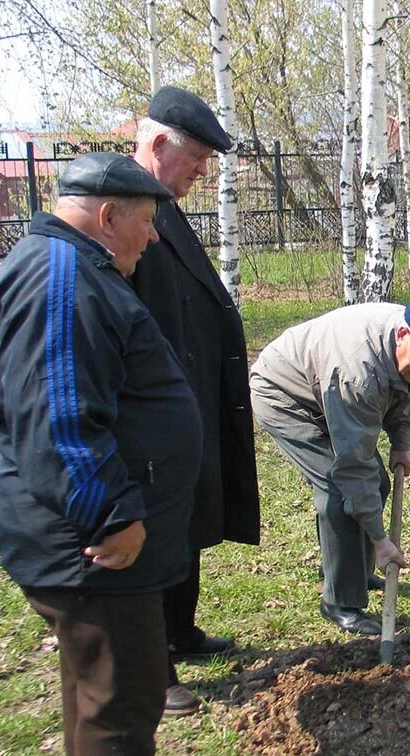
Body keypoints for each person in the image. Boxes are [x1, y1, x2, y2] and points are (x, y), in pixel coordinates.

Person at [0, 152, 213, 756]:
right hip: (90, 547)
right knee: (120, 699)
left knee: (97, 686)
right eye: (147, 222)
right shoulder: (64, 280)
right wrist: (108, 513)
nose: (155, 238)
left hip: (78, 541)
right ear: (108, 216)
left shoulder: (71, 267)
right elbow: (59, 419)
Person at [131, 86, 261, 717]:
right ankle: (154, 670)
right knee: (157, 537)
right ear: (158, 145)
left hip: (189, 403)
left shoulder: (163, 207)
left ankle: (181, 632)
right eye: (198, 158)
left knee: (187, 525)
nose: (203, 172)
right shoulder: (127, 211)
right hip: (153, 412)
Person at [250, 300, 410, 635]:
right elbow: (352, 465)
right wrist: (382, 540)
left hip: (325, 388)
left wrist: (401, 442)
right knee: (339, 491)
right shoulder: (358, 372)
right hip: (284, 395)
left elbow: (404, 386)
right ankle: (340, 601)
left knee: (377, 484)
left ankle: (355, 570)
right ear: (401, 335)